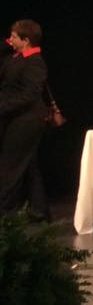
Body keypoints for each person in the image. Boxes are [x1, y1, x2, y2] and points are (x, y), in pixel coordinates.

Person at [0, 20, 48, 215]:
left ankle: (6, 213)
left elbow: (30, 95)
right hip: (16, 118)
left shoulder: (35, 62)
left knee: (10, 167)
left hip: (27, 121)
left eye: (13, 37)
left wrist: (3, 107)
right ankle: (39, 211)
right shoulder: (16, 57)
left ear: (26, 40)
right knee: (28, 166)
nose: (9, 39)